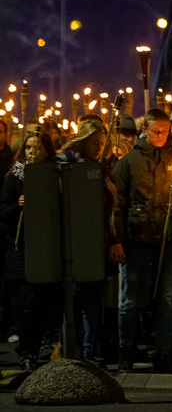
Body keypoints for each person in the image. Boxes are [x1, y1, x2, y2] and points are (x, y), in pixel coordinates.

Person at [112, 109, 172, 373]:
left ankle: (162, 353)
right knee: (129, 300)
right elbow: (117, 204)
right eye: (156, 131)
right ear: (145, 131)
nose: (161, 136)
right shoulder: (129, 162)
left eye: (165, 131)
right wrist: (117, 239)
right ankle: (125, 350)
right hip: (136, 241)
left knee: (167, 299)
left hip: (167, 240)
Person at [54, 119, 121, 363]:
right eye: (94, 143)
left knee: (93, 299)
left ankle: (87, 349)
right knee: (74, 299)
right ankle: (71, 349)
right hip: (73, 242)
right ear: (83, 142)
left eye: (103, 144)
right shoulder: (66, 165)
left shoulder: (105, 168)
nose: (99, 148)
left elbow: (110, 211)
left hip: (97, 243)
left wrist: (113, 239)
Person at [0, 131, 57, 372]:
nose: (33, 153)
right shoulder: (15, 176)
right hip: (21, 247)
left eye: (38, 148)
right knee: (26, 303)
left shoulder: (53, 174)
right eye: (29, 148)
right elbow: (3, 212)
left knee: (45, 302)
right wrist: (18, 205)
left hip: (46, 246)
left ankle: (43, 346)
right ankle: (27, 352)